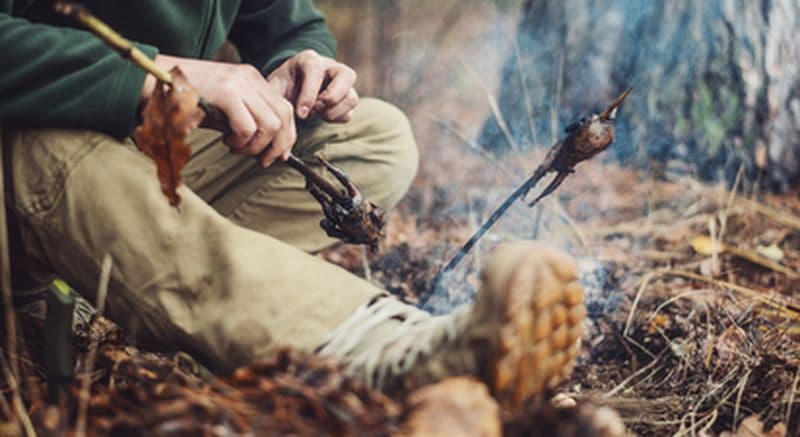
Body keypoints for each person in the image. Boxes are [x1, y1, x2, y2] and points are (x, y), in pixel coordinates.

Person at [0, 0, 585, 406]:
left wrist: (302, 59)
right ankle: (385, 352)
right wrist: (159, 79)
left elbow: (284, 19)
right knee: (53, 143)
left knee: (372, 139)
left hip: (132, 151)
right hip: (27, 161)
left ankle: (109, 293)